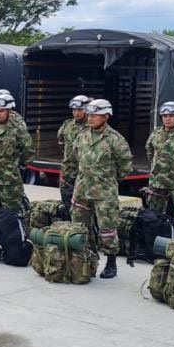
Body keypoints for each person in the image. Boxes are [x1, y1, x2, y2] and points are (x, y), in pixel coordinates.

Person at [64, 99, 133, 279]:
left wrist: (107, 178)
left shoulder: (115, 140)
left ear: (106, 116)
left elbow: (125, 167)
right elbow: (74, 159)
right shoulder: (82, 136)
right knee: (79, 226)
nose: (91, 118)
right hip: (82, 191)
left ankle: (111, 263)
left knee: (107, 229)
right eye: (90, 114)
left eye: (95, 115)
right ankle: (87, 260)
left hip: (104, 193)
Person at [0, 93, 35, 210]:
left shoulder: (17, 127)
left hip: (10, 181)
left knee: (10, 214)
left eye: (1, 111)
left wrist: (18, 166)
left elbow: (28, 150)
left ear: (9, 111)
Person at [144, 101, 174, 215]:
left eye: (171, 116)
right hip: (158, 181)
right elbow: (149, 150)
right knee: (154, 214)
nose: (167, 119)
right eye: (165, 116)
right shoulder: (156, 133)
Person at [58, 95, 92, 206]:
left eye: (80, 110)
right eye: (74, 110)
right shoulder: (67, 125)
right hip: (68, 173)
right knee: (67, 204)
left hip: (86, 175)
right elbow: (61, 143)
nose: (76, 113)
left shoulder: (93, 127)